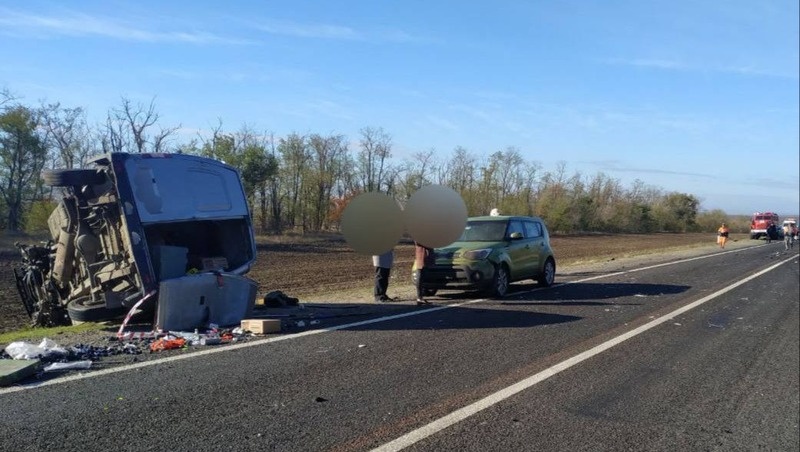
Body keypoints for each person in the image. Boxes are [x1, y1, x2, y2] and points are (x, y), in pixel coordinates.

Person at [414, 241, 435, 305]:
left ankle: (420, 297)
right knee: (420, 275)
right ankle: (419, 297)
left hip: (425, 255)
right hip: (422, 255)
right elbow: (418, 242)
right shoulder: (418, 234)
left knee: (422, 276)